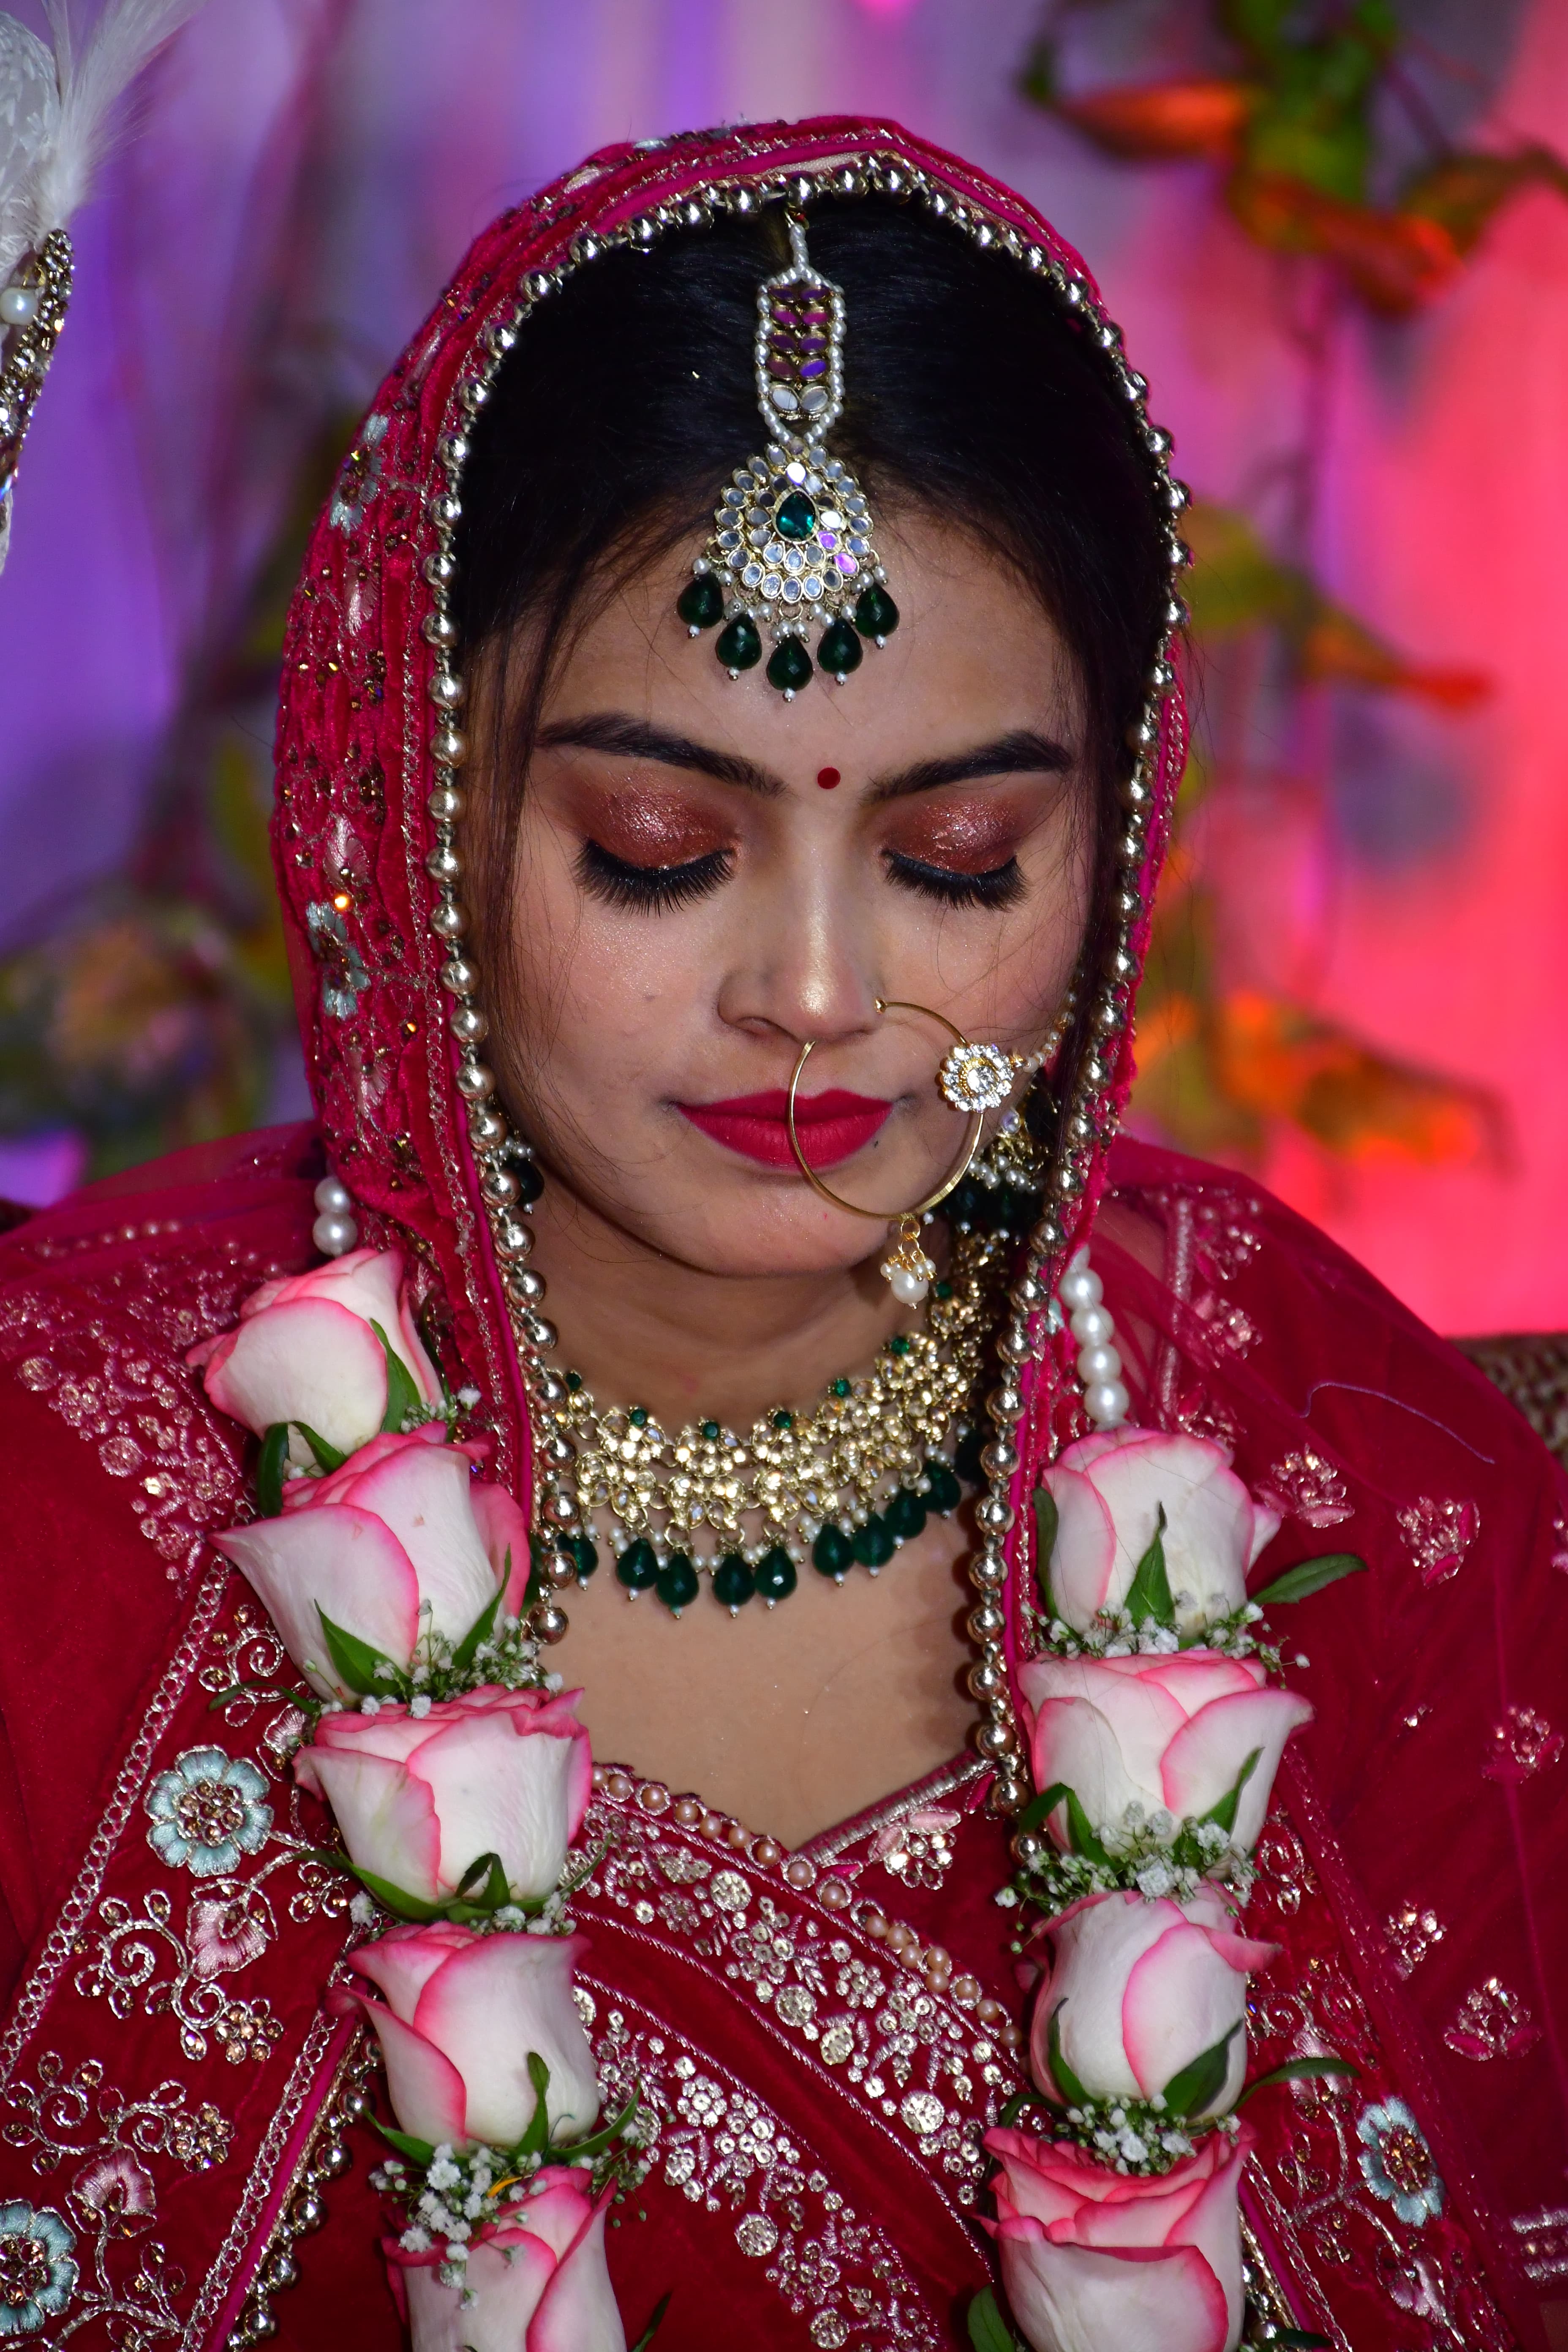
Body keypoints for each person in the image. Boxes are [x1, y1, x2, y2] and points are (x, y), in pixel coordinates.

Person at [0, 114, 1558, 2352]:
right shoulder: (63, 1488)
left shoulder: (1334, 1461)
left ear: (1112, 856)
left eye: (954, 858)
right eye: (656, 847)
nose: (815, 998)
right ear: (417, 799)